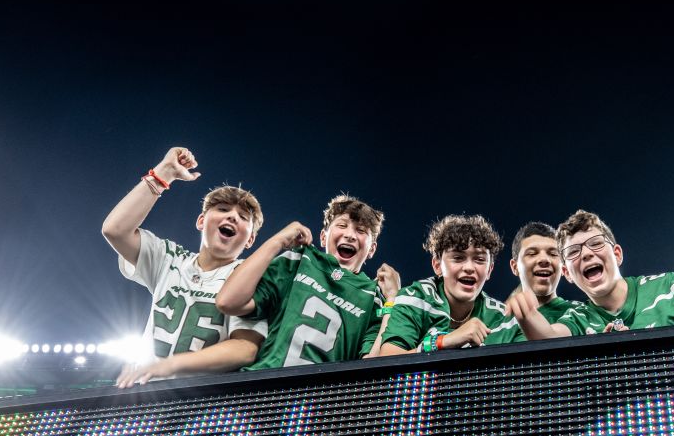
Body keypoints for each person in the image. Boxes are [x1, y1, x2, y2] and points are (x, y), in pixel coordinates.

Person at [101, 147, 267, 387]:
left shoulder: (248, 277)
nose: (232, 216)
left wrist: (171, 364)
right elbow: (115, 230)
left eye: (243, 217)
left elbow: (244, 348)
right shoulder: (170, 259)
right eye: (222, 209)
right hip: (146, 394)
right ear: (201, 221)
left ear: (250, 240)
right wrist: (163, 174)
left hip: (204, 404)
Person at [216, 194, 399, 369]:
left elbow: (373, 364)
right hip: (265, 386)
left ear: (372, 249)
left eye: (360, 231)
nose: (350, 235)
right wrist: (278, 240)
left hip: (317, 396)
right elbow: (228, 302)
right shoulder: (299, 260)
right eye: (342, 225)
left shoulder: (373, 297)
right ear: (323, 236)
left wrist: (392, 299)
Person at [532, 209, 674, 337]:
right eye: (573, 252)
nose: (587, 253)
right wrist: (526, 313)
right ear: (567, 273)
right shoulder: (578, 318)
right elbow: (549, 336)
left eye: (596, 244)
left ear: (617, 254)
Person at [377, 214, 524, 354]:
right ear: (437, 265)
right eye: (458, 258)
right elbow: (388, 361)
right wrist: (443, 342)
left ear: (490, 270)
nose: (469, 268)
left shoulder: (504, 318)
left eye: (479, 259)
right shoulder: (415, 298)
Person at [502, 221, 586, 329]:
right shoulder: (494, 323)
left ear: (562, 266)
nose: (544, 259)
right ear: (515, 267)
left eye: (553, 254)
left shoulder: (583, 313)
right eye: (532, 254)